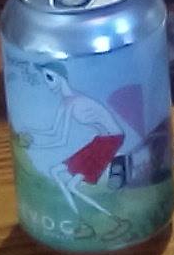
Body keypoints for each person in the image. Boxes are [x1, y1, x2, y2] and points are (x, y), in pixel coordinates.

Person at [18, 63, 139, 233]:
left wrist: (35, 145)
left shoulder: (76, 102)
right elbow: (53, 131)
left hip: (111, 139)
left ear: (61, 78)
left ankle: (114, 221)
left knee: (71, 185)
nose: (48, 83)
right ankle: (82, 224)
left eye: (50, 77)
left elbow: (61, 140)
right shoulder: (66, 103)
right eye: (46, 78)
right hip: (100, 140)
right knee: (55, 171)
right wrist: (28, 131)